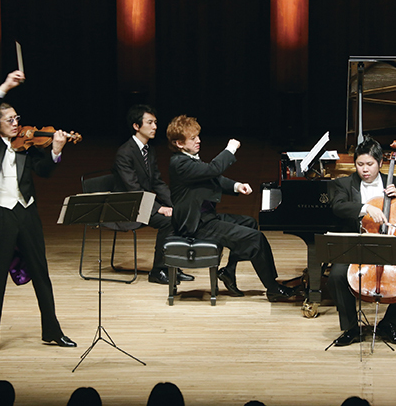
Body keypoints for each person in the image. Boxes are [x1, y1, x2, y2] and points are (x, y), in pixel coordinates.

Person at [0, 70, 76, 355]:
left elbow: (43, 171)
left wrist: (56, 150)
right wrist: (5, 86)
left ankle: (52, 332)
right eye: (10, 120)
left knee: (41, 273)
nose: (16, 124)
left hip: (26, 211)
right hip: (0, 214)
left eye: (17, 118)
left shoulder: (28, 147)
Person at [166, 115, 295, 301]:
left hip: (207, 217)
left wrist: (236, 186)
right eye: (193, 138)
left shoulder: (189, 159)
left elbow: (212, 178)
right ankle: (273, 288)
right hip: (196, 225)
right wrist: (230, 149)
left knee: (250, 223)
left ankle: (229, 271)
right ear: (179, 143)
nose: (198, 140)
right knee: (255, 238)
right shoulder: (179, 164)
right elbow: (213, 169)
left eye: (198, 136)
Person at [328, 136, 396, 346]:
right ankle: (351, 329)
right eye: (360, 164)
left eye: (370, 164)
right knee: (337, 275)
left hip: (390, 246)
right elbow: (337, 207)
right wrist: (365, 208)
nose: (365, 170)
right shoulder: (343, 184)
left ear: (381, 163)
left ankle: (390, 323)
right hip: (356, 246)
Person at [112, 104, 193, 285]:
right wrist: (159, 208)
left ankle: (172, 266)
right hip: (127, 206)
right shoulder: (125, 153)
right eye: (150, 122)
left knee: (178, 214)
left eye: (155, 122)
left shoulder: (149, 150)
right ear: (136, 126)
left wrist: (175, 203)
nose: (155, 126)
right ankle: (158, 271)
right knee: (168, 221)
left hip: (142, 202)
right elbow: (133, 190)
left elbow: (157, 181)